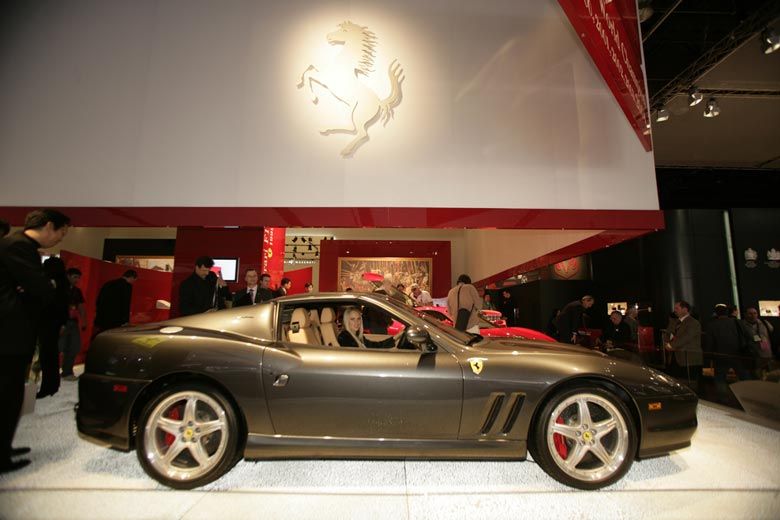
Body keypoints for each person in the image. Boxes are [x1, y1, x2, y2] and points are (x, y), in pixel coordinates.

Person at [0, 208, 70, 474]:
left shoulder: (18, 246)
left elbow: (34, 287)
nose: (61, 238)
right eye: (62, 232)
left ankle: (4, 447)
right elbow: (40, 288)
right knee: (6, 394)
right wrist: (43, 287)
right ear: (49, 226)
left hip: (15, 332)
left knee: (11, 393)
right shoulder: (18, 246)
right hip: (9, 333)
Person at [36, 257, 70, 398]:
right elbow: (64, 306)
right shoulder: (64, 282)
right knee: (50, 354)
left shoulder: (53, 282)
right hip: (55, 322)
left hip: (47, 322)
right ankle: (52, 385)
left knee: (46, 355)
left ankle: (47, 386)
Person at [705, 304, 750, 402]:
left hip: (720, 356)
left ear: (716, 313)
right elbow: (748, 336)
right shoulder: (737, 322)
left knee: (720, 378)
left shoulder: (712, 325)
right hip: (738, 354)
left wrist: (709, 356)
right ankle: (749, 398)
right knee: (744, 376)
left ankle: (723, 399)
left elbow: (709, 342)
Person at [664, 300, 702, 388]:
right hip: (674, 358)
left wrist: (671, 345)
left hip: (688, 359)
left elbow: (686, 337)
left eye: (677, 308)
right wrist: (666, 343)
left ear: (685, 309)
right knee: (675, 382)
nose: (675, 310)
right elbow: (667, 334)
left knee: (689, 384)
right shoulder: (674, 322)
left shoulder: (693, 323)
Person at [59, 267, 86, 380]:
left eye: (78, 278)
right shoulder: (60, 289)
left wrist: (84, 320)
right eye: (75, 277)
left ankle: (67, 372)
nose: (77, 280)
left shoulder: (77, 291)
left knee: (74, 347)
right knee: (59, 347)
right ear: (68, 276)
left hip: (73, 322)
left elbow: (80, 306)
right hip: (61, 321)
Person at [93, 270, 137, 334]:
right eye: (134, 280)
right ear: (132, 277)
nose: (133, 282)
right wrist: (126, 321)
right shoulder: (127, 286)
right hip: (116, 319)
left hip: (102, 317)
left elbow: (99, 301)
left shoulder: (108, 283)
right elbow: (125, 304)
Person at [740, 307, 774, 378]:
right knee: (756, 376)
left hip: (767, 354)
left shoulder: (764, 323)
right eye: (750, 314)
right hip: (753, 356)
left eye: (755, 313)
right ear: (745, 314)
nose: (753, 315)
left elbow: (771, 330)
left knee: (770, 376)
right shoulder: (742, 325)